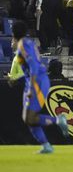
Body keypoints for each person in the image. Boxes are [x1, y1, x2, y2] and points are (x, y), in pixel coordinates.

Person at [8, 21, 69, 153]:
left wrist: (31, 88)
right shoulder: (26, 43)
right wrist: (15, 80)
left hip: (38, 82)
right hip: (34, 80)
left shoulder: (22, 45)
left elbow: (34, 67)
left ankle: (58, 120)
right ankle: (46, 145)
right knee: (28, 118)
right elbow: (29, 70)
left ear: (14, 34)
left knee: (30, 117)